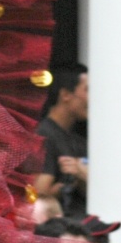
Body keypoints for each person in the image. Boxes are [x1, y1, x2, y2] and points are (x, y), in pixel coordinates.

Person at [35, 65, 89, 220]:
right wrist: (68, 182)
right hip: (59, 231)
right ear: (66, 94)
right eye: (87, 90)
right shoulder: (44, 135)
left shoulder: (78, 140)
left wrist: (81, 174)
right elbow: (39, 194)